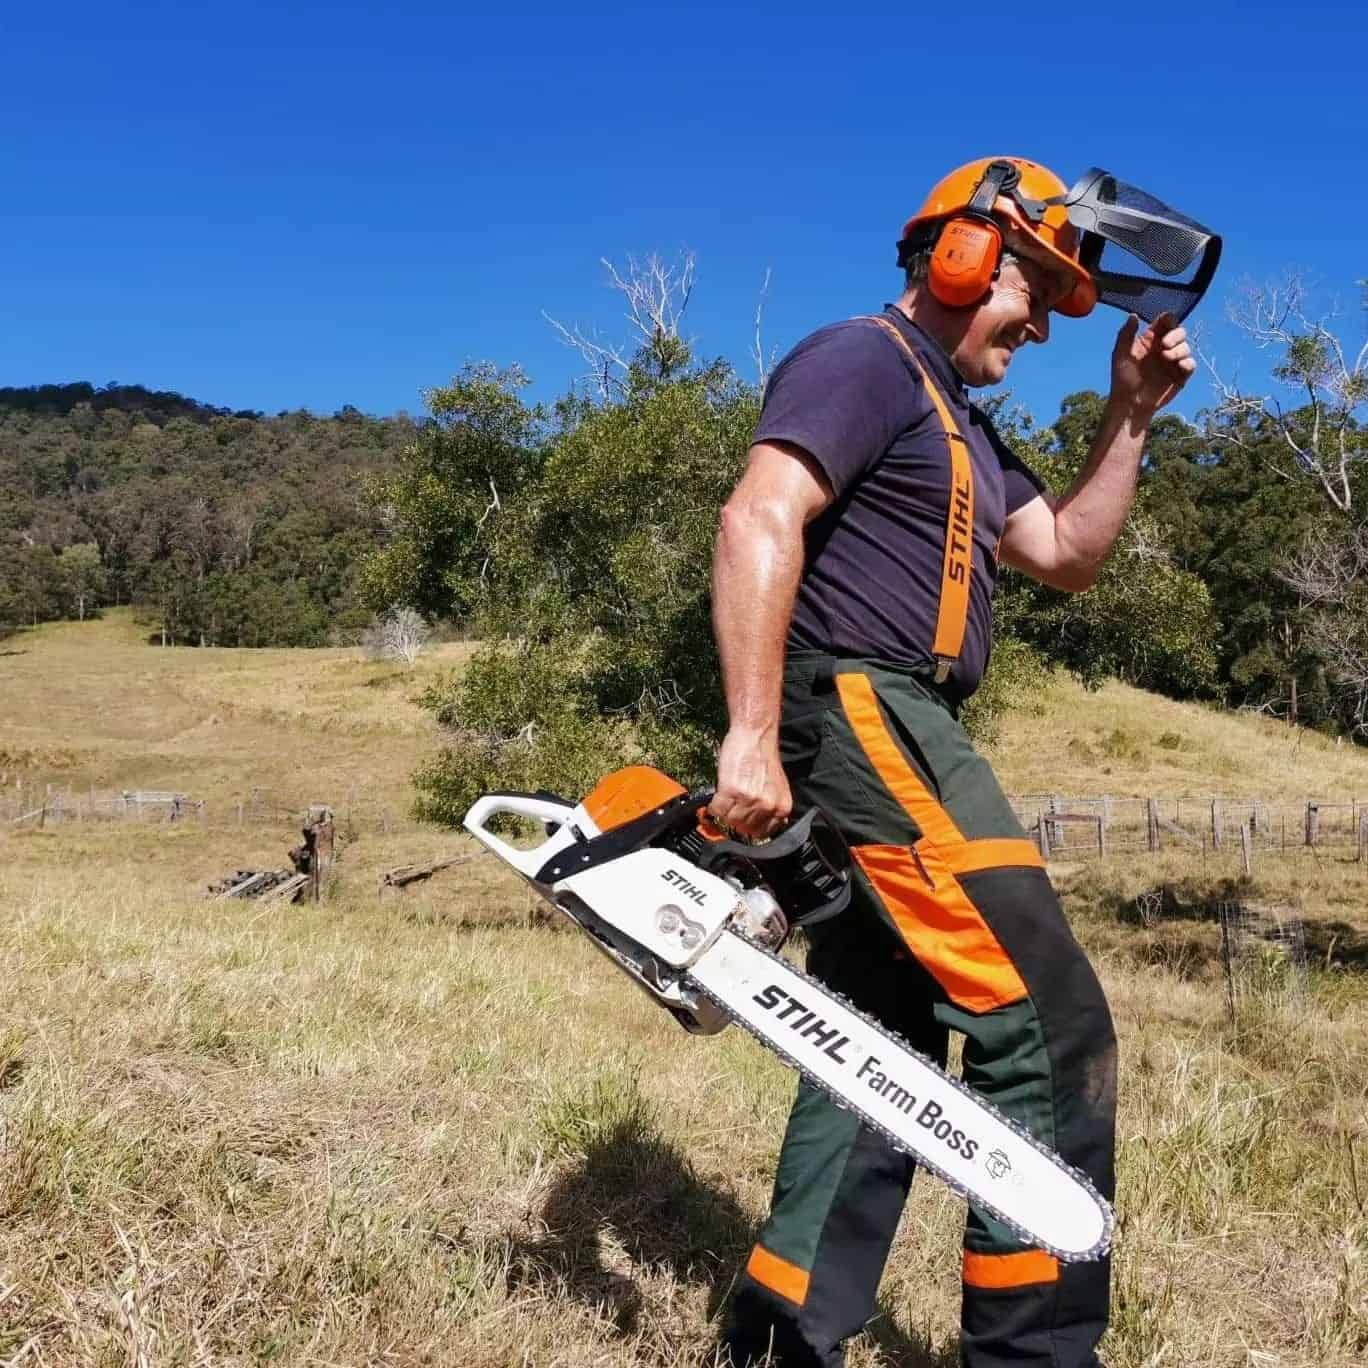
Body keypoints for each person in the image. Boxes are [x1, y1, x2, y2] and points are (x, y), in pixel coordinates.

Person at [708, 156, 1196, 1368]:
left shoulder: (962, 427)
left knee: (879, 1028)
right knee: (1048, 1023)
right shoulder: (861, 359)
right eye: (1033, 289)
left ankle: (779, 1335)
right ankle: (1032, 1355)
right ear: (966, 258)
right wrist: (751, 735)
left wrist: (1128, 414)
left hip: (904, 711)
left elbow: (1071, 553)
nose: (1038, 325)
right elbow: (758, 517)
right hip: (864, 703)